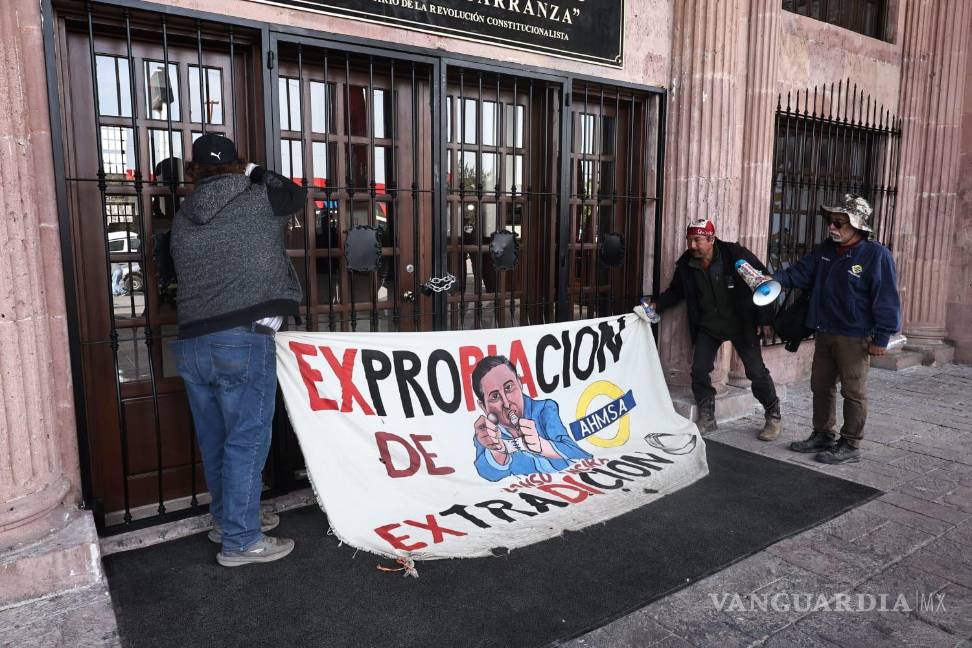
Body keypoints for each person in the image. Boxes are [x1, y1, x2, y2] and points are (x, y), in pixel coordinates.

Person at [168, 133, 306, 567]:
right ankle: (242, 541)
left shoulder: (183, 214)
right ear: (236, 165)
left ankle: (227, 521)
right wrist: (256, 172)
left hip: (192, 340)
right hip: (241, 338)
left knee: (216, 441)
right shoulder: (259, 197)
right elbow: (297, 195)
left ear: (195, 171)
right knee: (246, 441)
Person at [773, 194, 900, 465]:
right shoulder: (825, 251)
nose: (833, 228)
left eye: (840, 223)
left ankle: (851, 443)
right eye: (831, 222)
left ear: (857, 226)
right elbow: (798, 273)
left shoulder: (876, 255)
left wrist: (882, 336)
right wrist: (769, 280)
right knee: (821, 386)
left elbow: (887, 297)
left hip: (855, 336)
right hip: (825, 330)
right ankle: (822, 434)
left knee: (853, 391)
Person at [647, 218, 782, 440]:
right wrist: (656, 305)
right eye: (689, 240)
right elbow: (676, 291)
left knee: (756, 372)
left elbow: (763, 283)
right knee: (699, 370)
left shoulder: (735, 255)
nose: (692, 246)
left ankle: (773, 415)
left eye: (697, 240)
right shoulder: (686, 265)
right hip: (709, 325)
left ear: (711, 239)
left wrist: (765, 319)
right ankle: (707, 417)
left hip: (741, 323)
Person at [472, 355, 592, 481]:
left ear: (519, 383)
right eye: (495, 396)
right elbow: (487, 475)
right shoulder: (485, 435)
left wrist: (541, 445)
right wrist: (497, 451)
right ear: (483, 406)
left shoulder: (544, 410)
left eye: (508, 388)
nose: (506, 404)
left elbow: (580, 455)